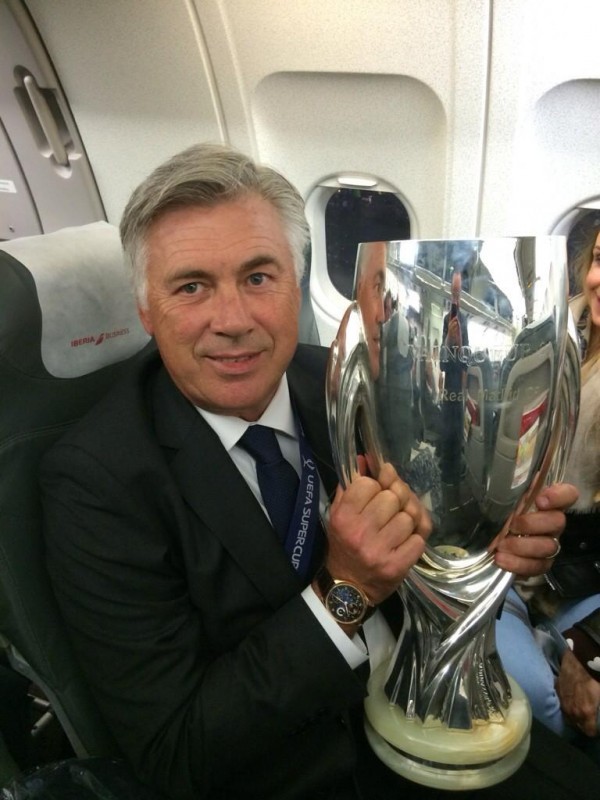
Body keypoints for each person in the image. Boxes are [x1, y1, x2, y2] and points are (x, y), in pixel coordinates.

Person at [41, 143, 595, 800]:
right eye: (192, 286)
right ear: (145, 309)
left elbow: (427, 540)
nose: (233, 321)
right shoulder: (97, 483)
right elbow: (176, 750)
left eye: (258, 277)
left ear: (296, 282)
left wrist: (486, 551)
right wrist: (345, 588)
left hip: (424, 710)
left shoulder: (341, 379)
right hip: (292, 773)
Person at [496, 226, 600, 757]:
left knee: (544, 702)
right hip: (520, 573)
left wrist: (591, 649)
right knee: (512, 688)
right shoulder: (551, 335)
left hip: (587, 585)